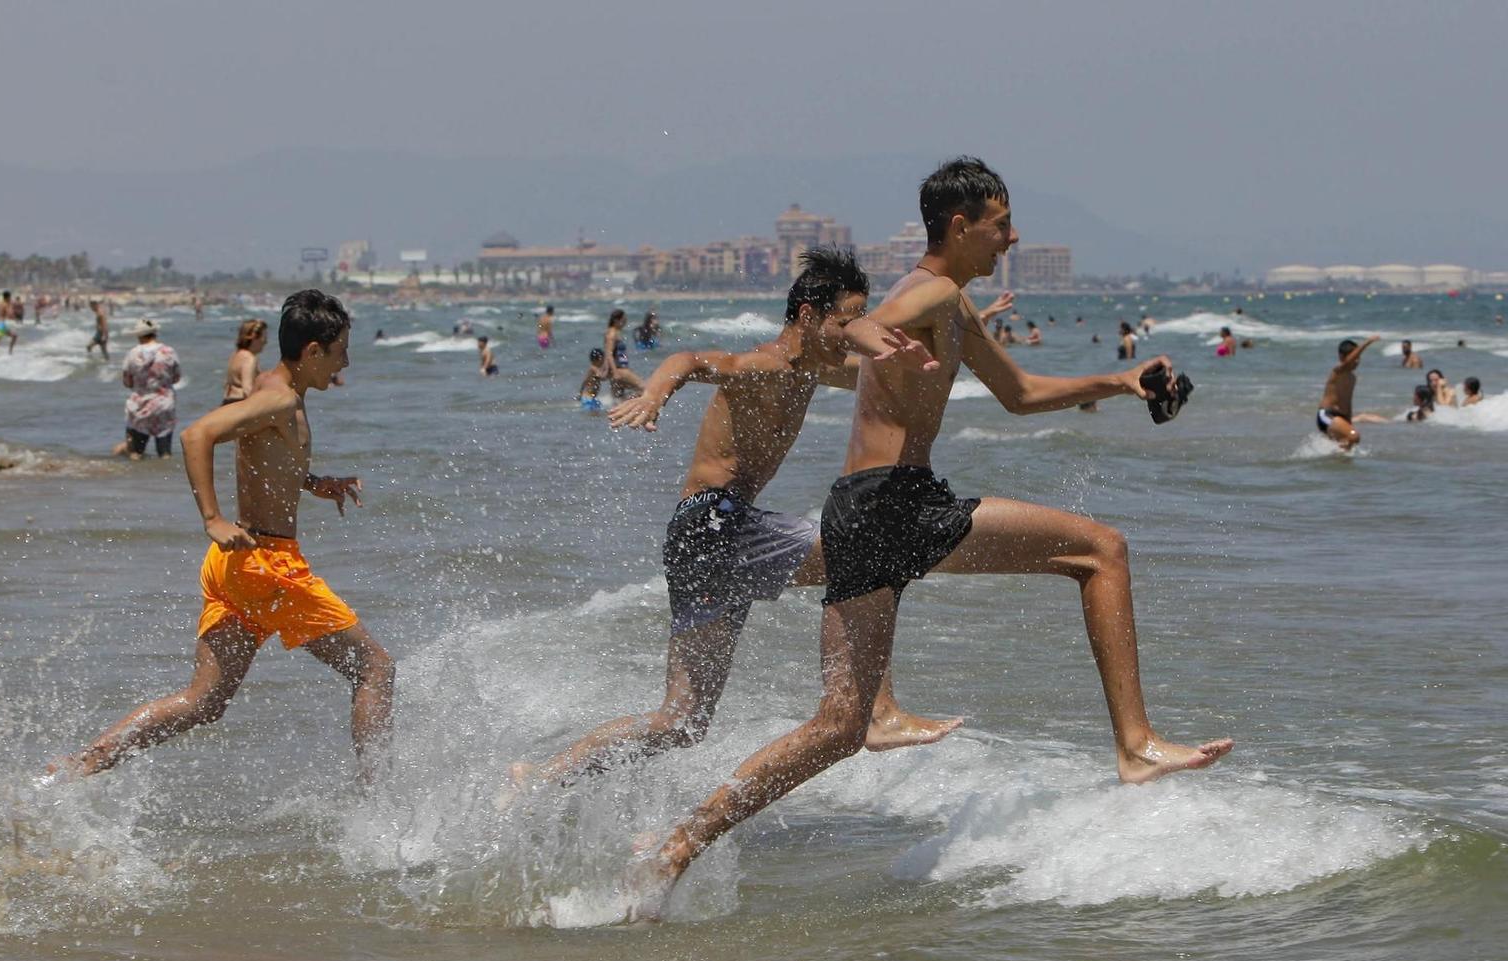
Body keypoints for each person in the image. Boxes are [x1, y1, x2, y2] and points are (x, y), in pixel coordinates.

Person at [634, 157, 1231, 911]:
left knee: (840, 725)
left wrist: (1120, 381)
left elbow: (1019, 394)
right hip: (893, 505)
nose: (1010, 237)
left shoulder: (957, 309)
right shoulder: (935, 289)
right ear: (961, 225)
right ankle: (1137, 745)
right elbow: (870, 318)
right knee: (1099, 549)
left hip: (864, 508)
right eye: (1001, 223)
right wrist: (876, 339)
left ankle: (679, 843)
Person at [511, 247, 951, 794]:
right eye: (846, 318)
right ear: (810, 316)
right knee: (864, 554)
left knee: (682, 721)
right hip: (715, 523)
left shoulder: (812, 369)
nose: (854, 330)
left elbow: (879, 374)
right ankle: (878, 711)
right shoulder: (766, 365)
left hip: (697, 541)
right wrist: (654, 394)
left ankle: (541, 777)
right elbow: (692, 360)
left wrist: (942, 340)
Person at [58, 290, 394, 785]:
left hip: (235, 567)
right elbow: (198, 435)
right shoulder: (278, 397)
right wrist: (213, 518)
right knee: (375, 670)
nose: (347, 360)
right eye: (342, 348)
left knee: (204, 701)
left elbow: (265, 457)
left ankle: (76, 767)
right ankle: (380, 805)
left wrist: (312, 483)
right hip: (267, 564)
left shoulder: (274, 391)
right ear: (313, 351)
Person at [118, 318, 180, 458]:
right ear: (155, 333)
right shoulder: (169, 352)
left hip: (140, 405)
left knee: (135, 453)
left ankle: (135, 479)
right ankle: (166, 478)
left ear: (139, 335)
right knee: (165, 453)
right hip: (164, 404)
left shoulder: (132, 354)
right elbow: (176, 378)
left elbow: (127, 382)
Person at [1317, 336, 1381, 451]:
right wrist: (1367, 342)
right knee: (1354, 436)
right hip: (1327, 416)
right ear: (1341, 357)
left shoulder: (1352, 378)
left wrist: (1348, 421)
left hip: (1341, 418)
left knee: (1348, 444)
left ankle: (1335, 462)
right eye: (1354, 357)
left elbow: (1347, 402)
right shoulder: (1337, 371)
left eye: (1358, 358)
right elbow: (1347, 362)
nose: (1357, 361)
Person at [223, 319, 266, 404]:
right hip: (239, 402)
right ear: (254, 337)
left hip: (227, 402)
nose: (265, 342)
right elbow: (247, 389)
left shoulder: (235, 355)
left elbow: (225, 384)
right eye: (264, 337)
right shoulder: (249, 358)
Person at [604, 309, 645, 396]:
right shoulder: (612, 334)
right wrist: (614, 372)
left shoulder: (614, 332)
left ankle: (628, 407)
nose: (625, 322)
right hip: (619, 370)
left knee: (618, 399)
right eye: (623, 320)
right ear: (616, 320)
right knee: (644, 389)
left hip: (618, 370)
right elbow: (609, 354)